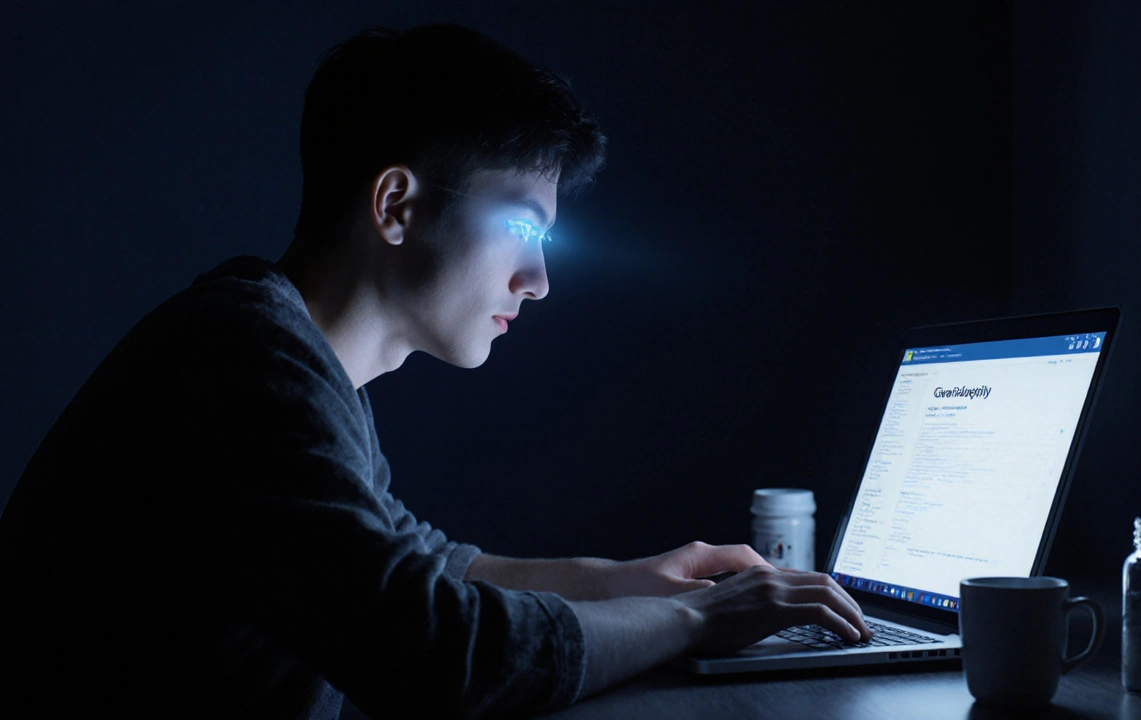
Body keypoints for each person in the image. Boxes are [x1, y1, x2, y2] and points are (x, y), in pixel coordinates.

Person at [0, 23, 870, 719]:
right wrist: (697, 619)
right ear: (396, 205)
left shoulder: (283, 354)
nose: (538, 283)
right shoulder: (245, 362)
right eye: (526, 230)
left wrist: (631, 579)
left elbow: (419, 565)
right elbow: (432, 652)